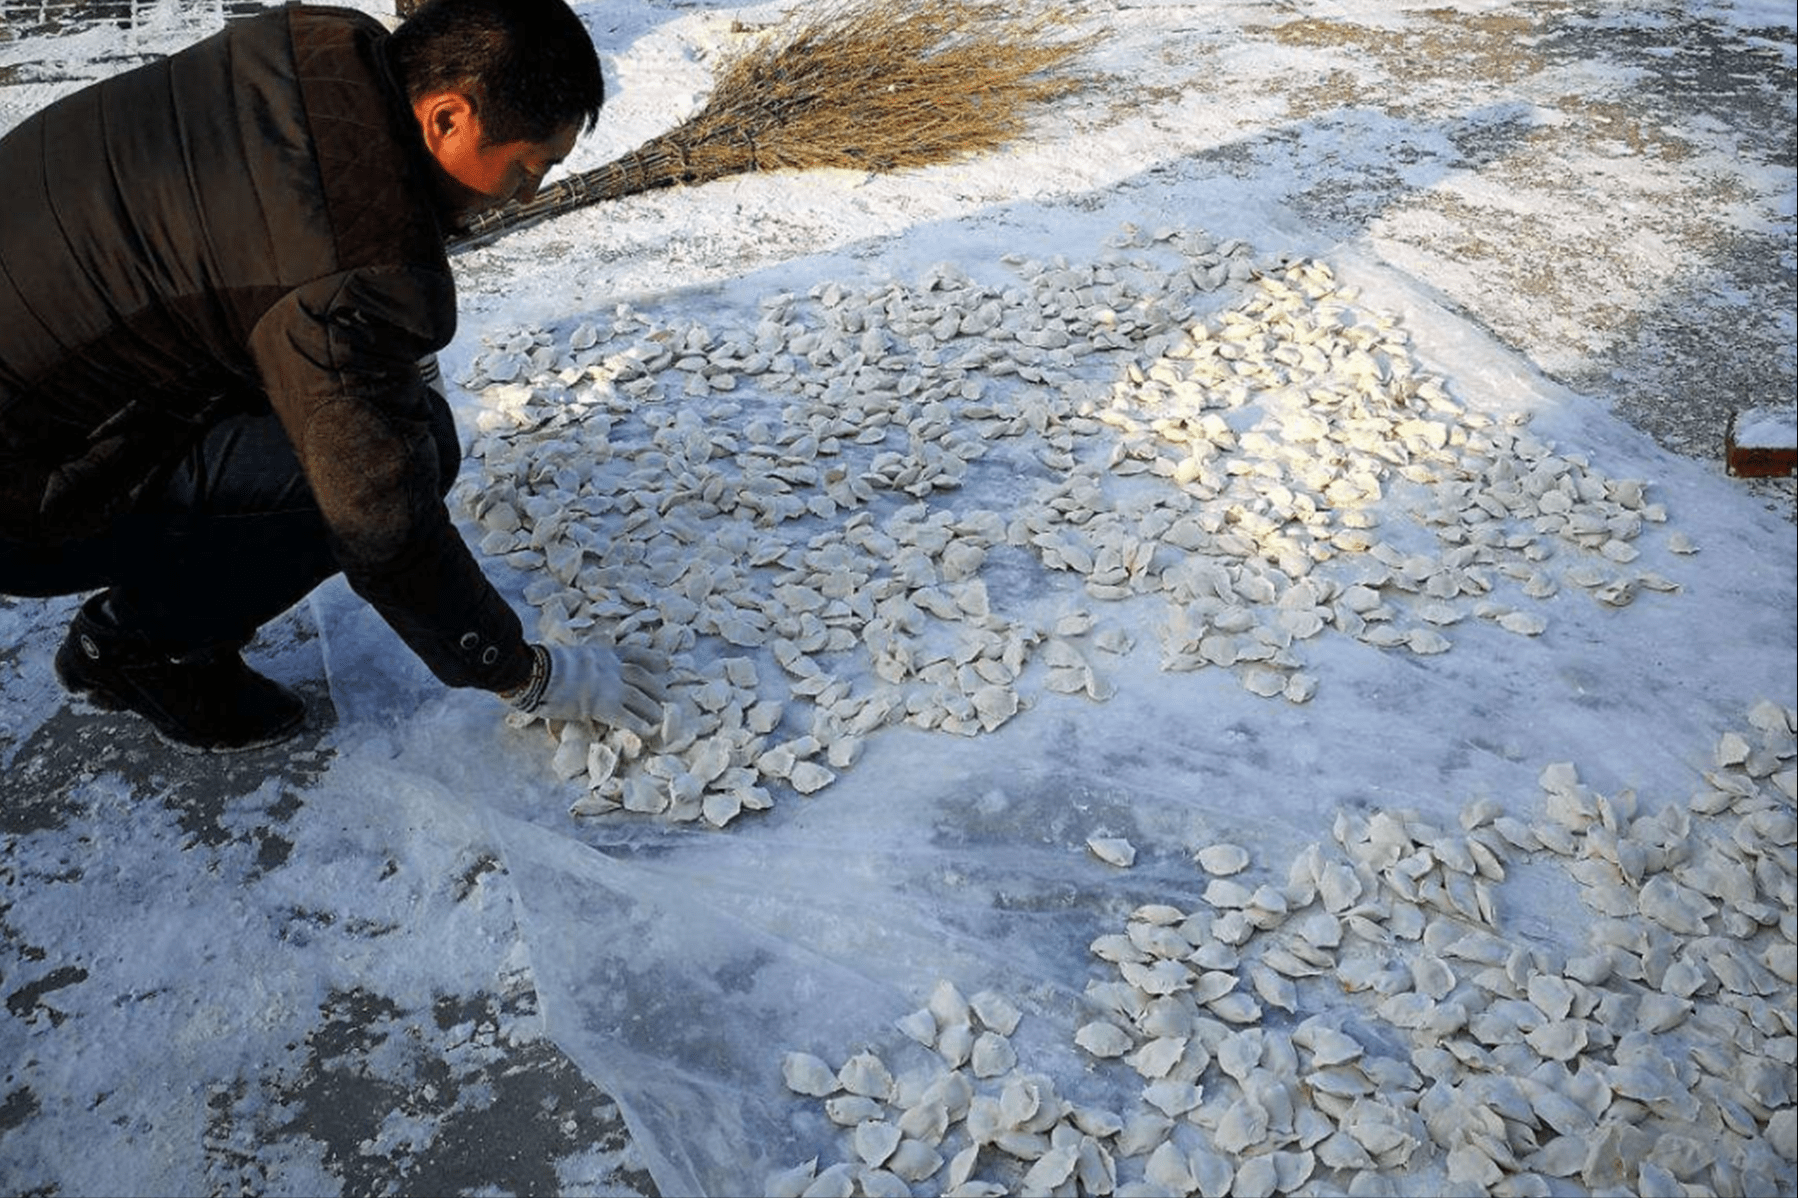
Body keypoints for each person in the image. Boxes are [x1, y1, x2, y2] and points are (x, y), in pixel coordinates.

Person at [0, 0, 665, 753]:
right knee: (389, 464)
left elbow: (279, 265)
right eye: (526, 169)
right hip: (23, 489)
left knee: (373, 413)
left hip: (49, 350)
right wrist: (521, 671)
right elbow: (382, 521)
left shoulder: (317, 42)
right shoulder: (352, 269)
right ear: (447, 118)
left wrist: (390, 356)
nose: (526, 197)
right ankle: (133, 651)